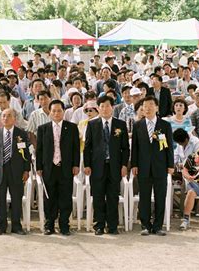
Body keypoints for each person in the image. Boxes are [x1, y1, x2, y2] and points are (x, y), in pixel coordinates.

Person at [84, 96, 130, 235]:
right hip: (97, 166)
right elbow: (87, 147)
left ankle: (113, 225)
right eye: (102, 106)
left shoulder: (120, 125)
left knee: (112, 196)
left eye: (107, 106)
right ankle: (99, 225)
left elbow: (125, 148)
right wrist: (87, 165)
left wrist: (124, 165)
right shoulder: (92, 124)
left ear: (112, 107)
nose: (105, 109)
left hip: (114, 166)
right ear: (98, 108)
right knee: (98, 196)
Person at [131, 96, 174, 236]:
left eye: (150, 105)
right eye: (145, 105)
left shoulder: (165, 125)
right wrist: (134, 164)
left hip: (160, 166)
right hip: (143, 167)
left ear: (157, 108)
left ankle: (158, 226)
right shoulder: (138, 125)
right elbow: (135, 148)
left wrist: (170, 165)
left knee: (160, 196)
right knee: (144, 197)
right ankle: (145, 225)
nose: (147, 108)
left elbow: (169, 148)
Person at [36, 100, 80, 235]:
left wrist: (76, 165)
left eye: (59, 110)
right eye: (53, 111)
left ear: (63, 112)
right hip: (49, 168)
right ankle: (49, 224)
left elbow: (76, 149)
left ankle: (64, 225)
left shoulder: (71, 127)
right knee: (49, 197)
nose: (56, 113)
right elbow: (39, 150)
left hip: (65, 167)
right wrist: (39, 167)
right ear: (50, 112)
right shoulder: (43, 128)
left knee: (65, 196)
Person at [0, 109, 31, 236]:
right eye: (3, 116)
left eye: (9, 116)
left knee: (16, 199)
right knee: (0, 200)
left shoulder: (21, 133)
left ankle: (16, 226)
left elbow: (26, 154)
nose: (6, 118)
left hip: (16, 171)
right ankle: (0, 226)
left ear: (14, 119)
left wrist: (26, 170)